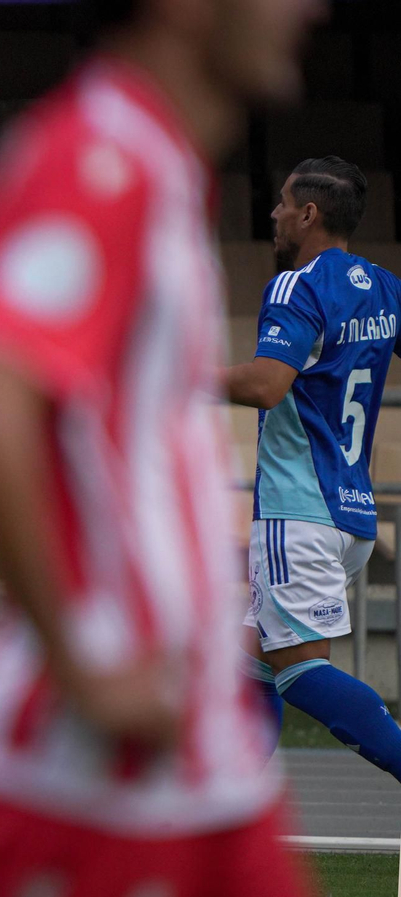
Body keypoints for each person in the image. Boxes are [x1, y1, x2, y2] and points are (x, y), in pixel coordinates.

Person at [0, 0, 324, 893]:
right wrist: (87, 667)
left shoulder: (159, 164)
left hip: (194, 745)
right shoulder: (97, 158)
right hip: (94, 766)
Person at [226, 156, 401, 778]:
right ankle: (225, 817)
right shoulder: (383, 286)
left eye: (280, 203)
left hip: (297, 509)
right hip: (352, 514)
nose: (272, 214)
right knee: (250, 663)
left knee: (299, 672)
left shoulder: (296, 285)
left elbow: (267, 384)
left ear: (309, 213)